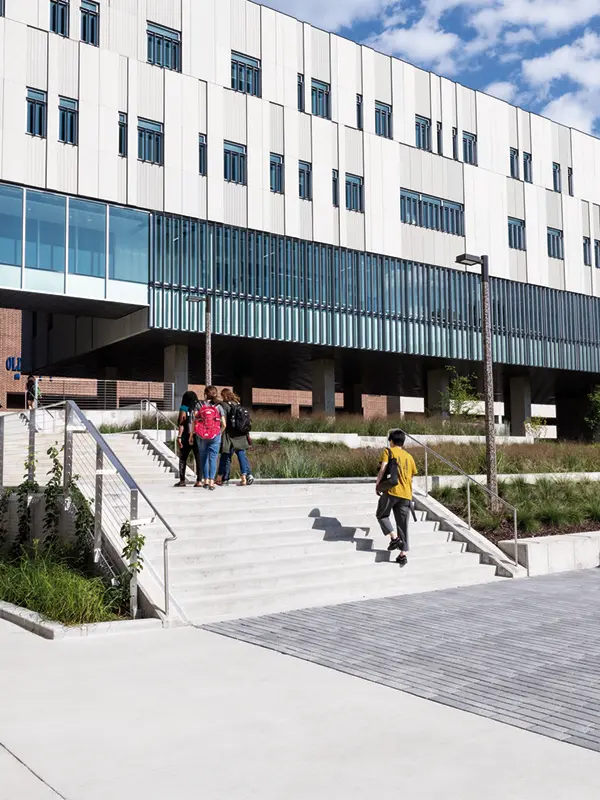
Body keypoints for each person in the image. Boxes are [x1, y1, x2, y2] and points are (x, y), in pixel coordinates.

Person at [375, 429, 418, 567]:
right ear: (403, 442)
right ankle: (402, 555)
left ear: (392, 441)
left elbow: (383, 468)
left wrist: (378, 485)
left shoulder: (389, 451)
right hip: (406, 495)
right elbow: (411, 476)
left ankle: (394, 538)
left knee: (381, 515)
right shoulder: (410, 457)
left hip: (392, 491)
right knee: (403, 525)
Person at [216, 388, 255, 486]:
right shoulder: (237, 403)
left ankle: (222, 478)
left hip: (229, 434)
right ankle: (244, 478)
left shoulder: (224, 405)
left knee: (225, 455)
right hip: (241, 434)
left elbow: (223, 421)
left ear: (224, 396)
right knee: (241, 455)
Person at [193, 386, 226, 490]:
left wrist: (192, 434)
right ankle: (212, 482)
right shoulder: (218, 406)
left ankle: (205, 480)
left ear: (205, 394)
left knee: (203, 457)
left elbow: (195, 421)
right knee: (213, 458)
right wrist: (218, 433)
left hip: (201, 436)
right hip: (215, 435)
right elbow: (224, 424)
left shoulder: (199, 405)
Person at [175, 390, 202, 487]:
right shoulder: (199, 407)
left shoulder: (184, 407)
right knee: (198, 458)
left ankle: (182, 481)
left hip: (186, 435)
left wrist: (179, 436)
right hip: (198, 435)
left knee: (183, 458)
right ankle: (199, 480)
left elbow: (182, 423)